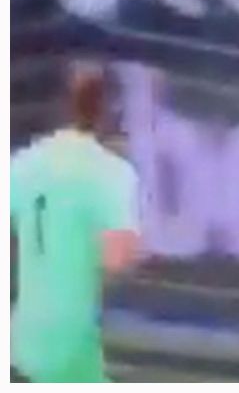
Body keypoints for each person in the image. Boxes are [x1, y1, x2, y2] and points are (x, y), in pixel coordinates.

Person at [11, 62, 142, 383]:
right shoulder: (112, 173)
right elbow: (117, 258)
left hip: (21, 345)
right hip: (71, 348)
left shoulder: (22, 164)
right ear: (110, 113)